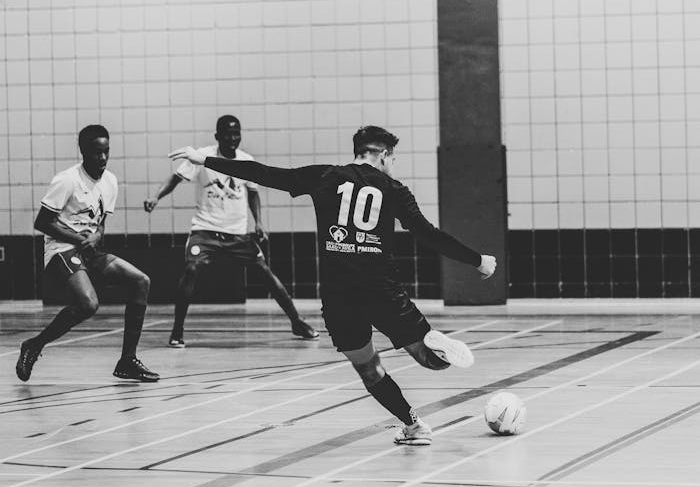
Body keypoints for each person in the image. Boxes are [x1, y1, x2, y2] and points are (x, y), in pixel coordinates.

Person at [168, 125, 496, 445]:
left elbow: (265, 173)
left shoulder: (325, 176)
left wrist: (205, 160)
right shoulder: (394, 190)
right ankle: (431, 343)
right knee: (429, 360)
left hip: (339, 298)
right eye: (393, 159)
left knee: (370, 369)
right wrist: (476, 260)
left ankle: (413, 425)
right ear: (383, 154)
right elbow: (429, 235)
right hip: (383, 290)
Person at [144, 114, 318, 347]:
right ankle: (177, 331)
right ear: (218, 136)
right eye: (227, 134)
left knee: (266, 273)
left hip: (238, 235)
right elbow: (174, 179)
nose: (232, 138)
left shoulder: (246, 160)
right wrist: (155, 197)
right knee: (191, 268)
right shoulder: (202, 157)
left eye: (236, 134)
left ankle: (297, 322)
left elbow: (253, 194)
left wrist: (258, 223)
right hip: (205, 231)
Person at [16, 125, 159, 383]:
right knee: (88, 304)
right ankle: (34, 345)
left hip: (90, 249)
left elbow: (101, 223)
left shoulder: (110, 181)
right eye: (96, 153)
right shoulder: (67, 180)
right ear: (83, 152)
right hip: (61, 249)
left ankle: (127, 360)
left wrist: (97, 235)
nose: (102, 159)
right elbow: (42, 222)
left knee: (141, 281)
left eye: (106, 152)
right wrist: (81, 239)